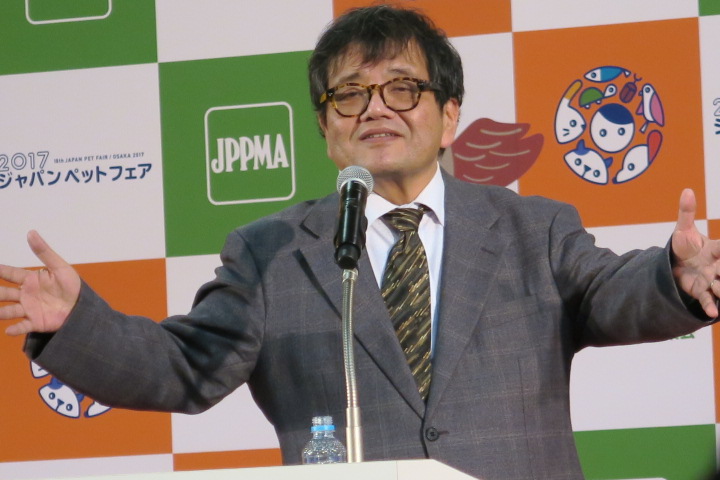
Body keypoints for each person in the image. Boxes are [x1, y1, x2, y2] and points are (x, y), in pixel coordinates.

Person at [1, 5, 718, 480]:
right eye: (349, 94)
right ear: (326, 126)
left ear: (450, 115)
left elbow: (613, 293)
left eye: (403, 88)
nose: (376, 108)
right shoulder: (271, 252)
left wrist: (676, 279)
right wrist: (76, 324)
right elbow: (183, 367)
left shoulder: (534, 230)